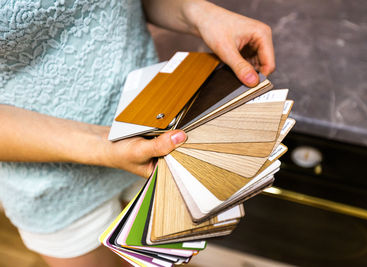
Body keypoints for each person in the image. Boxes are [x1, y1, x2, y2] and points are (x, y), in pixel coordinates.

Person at [0, 0, 275, 266]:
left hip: (156, 124)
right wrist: (104, 146)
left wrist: (198, 13)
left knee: (159, 258)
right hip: (50, 178)